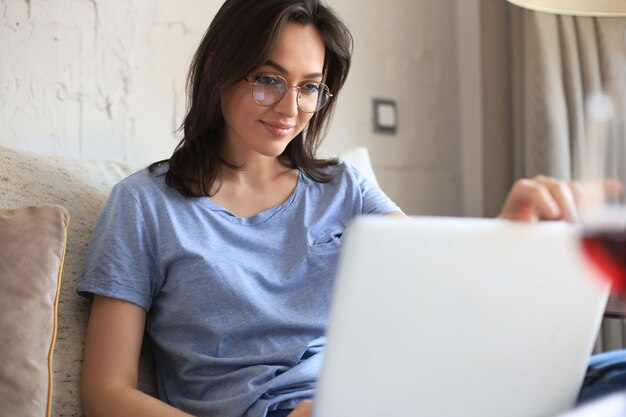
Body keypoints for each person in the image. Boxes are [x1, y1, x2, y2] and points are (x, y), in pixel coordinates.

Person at [75, 1, 580, 416]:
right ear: (216, 70)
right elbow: (106, 393)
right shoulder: (144, 205)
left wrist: (511, 237)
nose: (290, 108)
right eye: (268, 79)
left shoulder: (344, 188)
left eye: (309, 87)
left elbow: (447, 284)